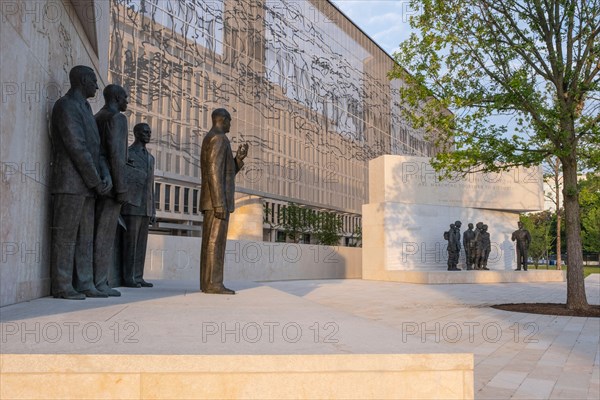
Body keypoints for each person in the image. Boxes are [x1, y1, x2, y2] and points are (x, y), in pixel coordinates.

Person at [49, 66, 112, 299]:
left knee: (85, 237)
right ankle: (62, 285)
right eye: (94, 81)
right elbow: (77, 148)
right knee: (65, 237)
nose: (97, 86)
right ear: (84, 81)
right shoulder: (65, 106)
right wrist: (96, 180)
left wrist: (104, 176)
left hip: (88, 186)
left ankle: (85, 283)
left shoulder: (86, 108)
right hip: (70, 184)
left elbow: (97, 151)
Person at [200, 108, 248, 294]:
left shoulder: (213, 138)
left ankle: (209, 282)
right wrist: (219, 202)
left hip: (213, 201)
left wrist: (238, 160)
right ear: (222, 119)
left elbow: (224, 173)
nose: (231, 124)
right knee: (215, 243)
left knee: (212, 242)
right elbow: (213, 173)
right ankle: (213, 283)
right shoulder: (219, 139)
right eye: (229, 120)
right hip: (216, 202)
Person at [93, 84, 129, 296]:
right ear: (116, 97)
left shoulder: (98, 116)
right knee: (104, 235)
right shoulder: (117, 118)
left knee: (96, 232)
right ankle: (100, 281)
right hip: (111, 184)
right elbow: (116, 155)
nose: (127, 101)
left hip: (98, 180)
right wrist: (121, 188)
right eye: (125, 97)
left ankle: (95, 279)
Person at [121, 123, 155, 287]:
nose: (148, 134)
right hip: (132, 205)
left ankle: (138, 276)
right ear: (136, 133)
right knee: (131, 244)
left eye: (149, 132)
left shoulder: (150, 158)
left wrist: (153, 209)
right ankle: (128, 277)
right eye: (145, 132)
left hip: (145, 207)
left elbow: (151, 186)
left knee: (141, 244)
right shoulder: (128, 153)